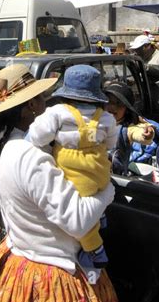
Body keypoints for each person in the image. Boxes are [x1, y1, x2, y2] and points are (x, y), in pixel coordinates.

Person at [0, 64, 126, 302]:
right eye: (41, 98)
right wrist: (108, 189)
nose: (48, 104)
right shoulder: (33, 158)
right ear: (29, 107)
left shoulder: (6, 144)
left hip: (19, 258)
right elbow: (77, 221)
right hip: (53, 276)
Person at [28, 65, 117, 271]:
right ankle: (101, 216)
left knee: (82, 220)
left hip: (76, 174)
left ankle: (94, 248)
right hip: (100, 171)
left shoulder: (57, 113)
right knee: (96, 195)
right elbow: (110, 145)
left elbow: (38, 136)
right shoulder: (106, 118)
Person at [105, 82, 159, 175]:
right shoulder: (97, 121)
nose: (112, 107)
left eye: (119, 103)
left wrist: (147, 135)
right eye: (109, 101)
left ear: (127, 109)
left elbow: (139, 133)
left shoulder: (128, 128)